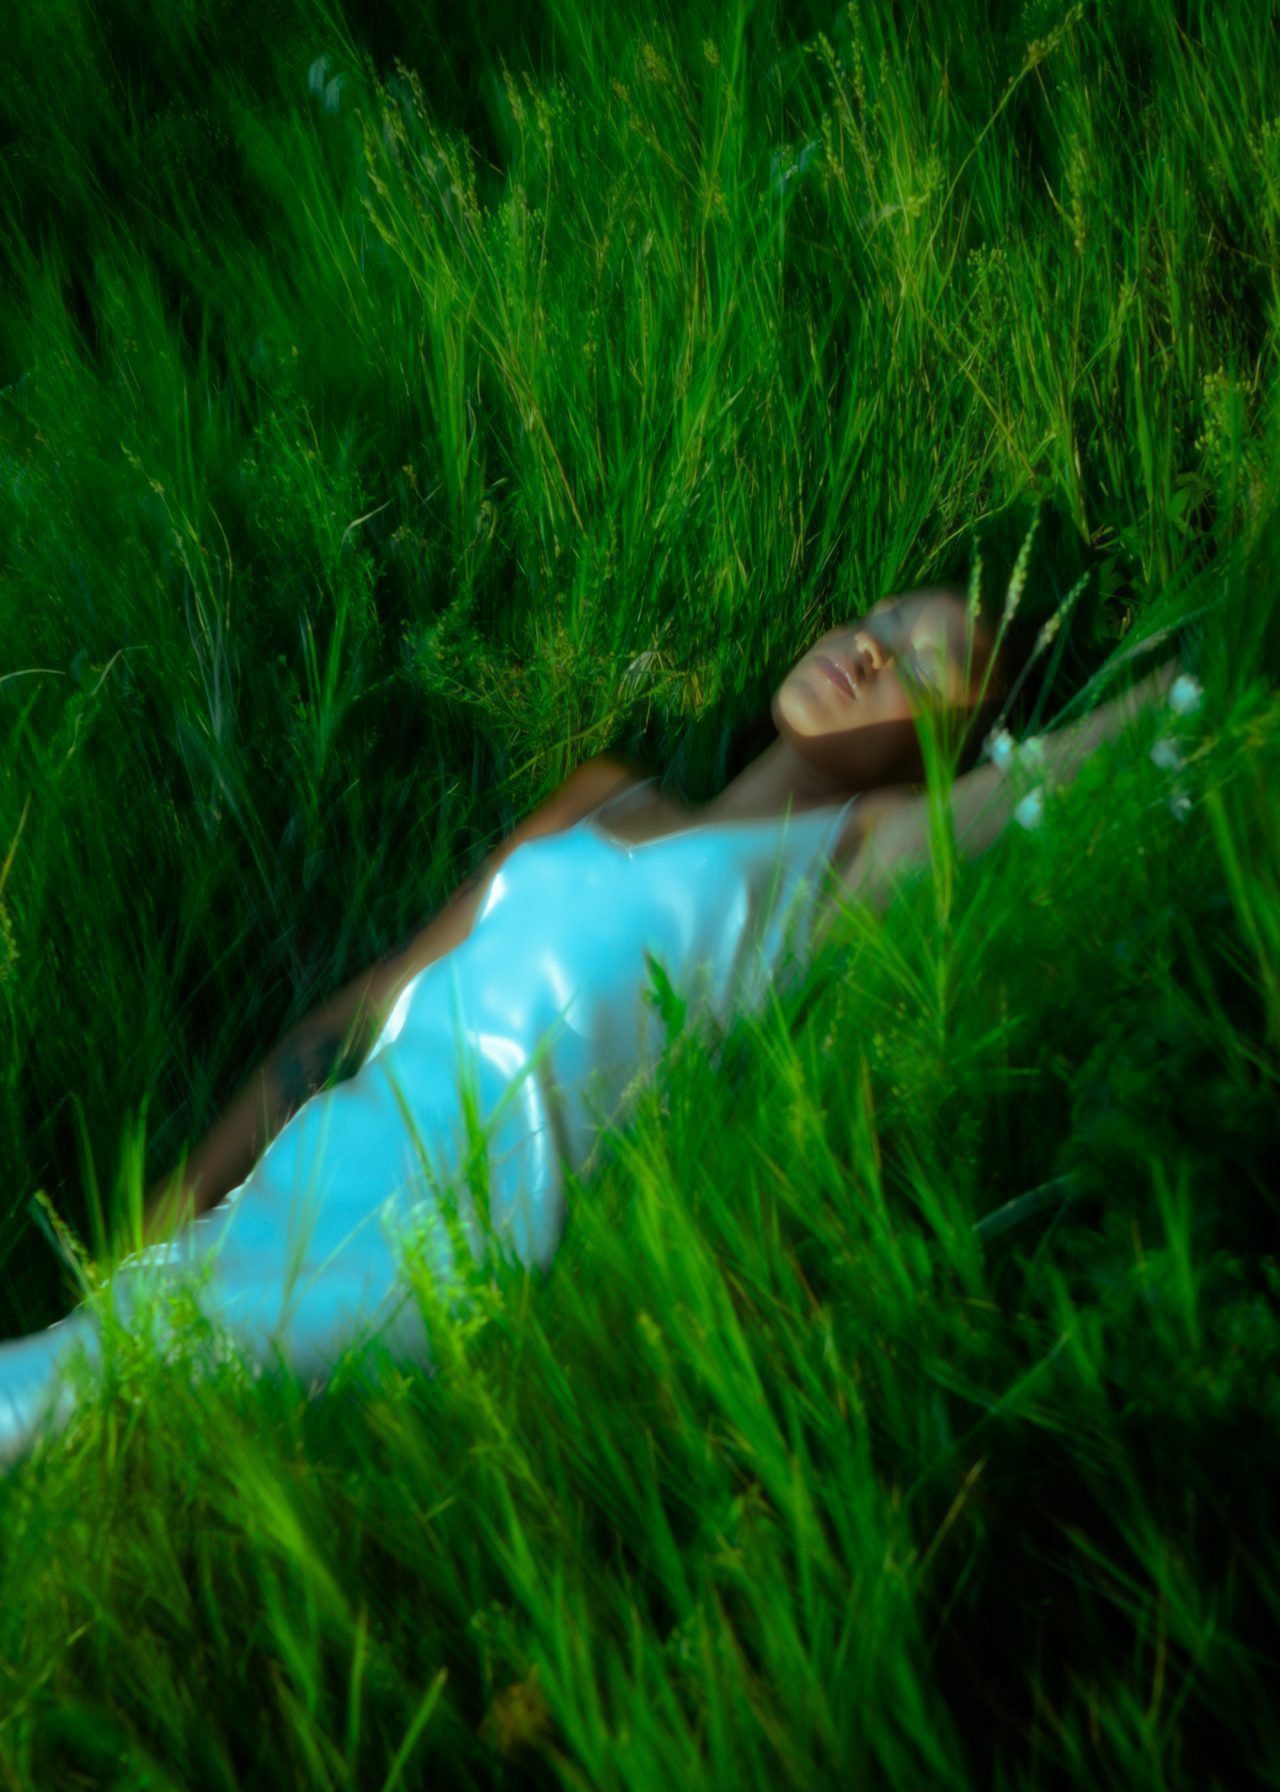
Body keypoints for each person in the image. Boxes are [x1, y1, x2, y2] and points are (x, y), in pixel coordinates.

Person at [0, 585, 1181, 1470]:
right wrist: (153, 1224)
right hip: (304, 1179)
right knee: (73, 1373)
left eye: (927, 661)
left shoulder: (844, 860)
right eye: (876, 613)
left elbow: (1096, 749)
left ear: (950, 753)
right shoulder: (601, 795)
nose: (870, 644)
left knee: (76, 1418)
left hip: (434, 1256)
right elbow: (343, 1022)